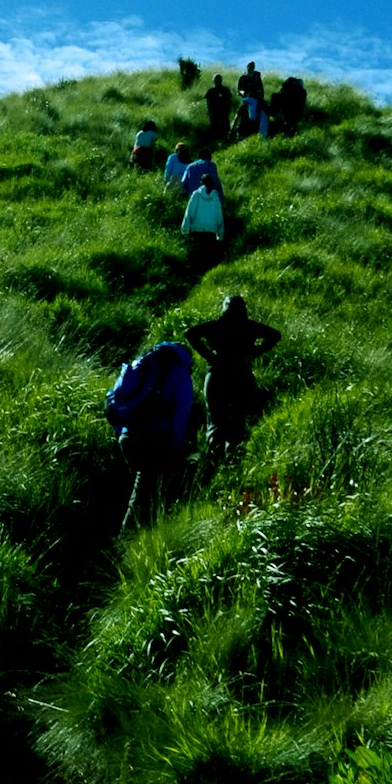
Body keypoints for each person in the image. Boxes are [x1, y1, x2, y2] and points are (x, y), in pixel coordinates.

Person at [105, 341, 195, 528]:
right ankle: (125, 542)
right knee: (144, 492)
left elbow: (115, 401)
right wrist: (176, 446)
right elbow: (181, 416)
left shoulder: (141, 365)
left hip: (128, 439)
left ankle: (145, 528)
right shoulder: (180, 374)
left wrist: (123, 434)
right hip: (155, 441)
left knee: (145, 485)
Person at [186, 295, 280, 461]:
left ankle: (215, 460)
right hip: (240, 375)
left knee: (216, 418)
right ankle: (232, 461)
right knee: (237, 417)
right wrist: (256, 351)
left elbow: (190, 334)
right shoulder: (249, 327)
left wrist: (209, 356)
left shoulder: (215, 326)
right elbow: (275, 335)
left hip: (216, 375)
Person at [181, 173, 225, 270]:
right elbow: (219, 216)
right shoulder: (216, 197)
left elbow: (189, 212)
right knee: (208, 257)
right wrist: (220, 234)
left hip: (197, 230)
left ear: (201, 182)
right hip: (211, 231)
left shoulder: (196, 195)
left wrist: (185, 228)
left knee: (198, 256)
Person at [205, 74, 233, 140]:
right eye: (216, 80)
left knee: (225, 128)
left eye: (219, 80)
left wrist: (229, 109)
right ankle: (216, 141)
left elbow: (229, 101)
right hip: (214, 113)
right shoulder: (211, 91)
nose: (218, 81)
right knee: (215, 128)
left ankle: (226, 140)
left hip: (224, 112)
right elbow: (207, 102)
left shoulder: (225, 90)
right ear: (214, 81)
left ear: (221, 80)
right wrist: (209, 111)